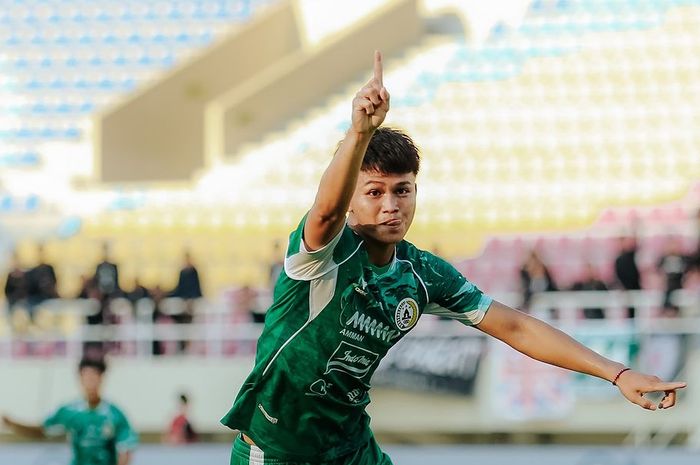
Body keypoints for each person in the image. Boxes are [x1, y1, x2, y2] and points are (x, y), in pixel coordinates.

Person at [221, 51, 686, 465]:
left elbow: (517, 327)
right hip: (277, 451)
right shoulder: (323, 255)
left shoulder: (420, 274)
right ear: (351, 199)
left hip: (350, 447)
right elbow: (324, 210)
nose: (391, 205)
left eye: (402, 191)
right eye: (375, 192)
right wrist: (359, 133)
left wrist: (616, 373)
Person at [2, 357, 138, 465]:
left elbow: (125, 450)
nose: (90, 381)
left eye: (94, 377)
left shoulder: (115, 415)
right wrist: (13, 424)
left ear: (102, 378)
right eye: (86, 377)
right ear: (80, 379)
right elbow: (42, 430)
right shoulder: (69, 411)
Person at [614, 235, 641, 318]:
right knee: (629, 311)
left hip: (635, 288)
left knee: (636, 311)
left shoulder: (631, 255)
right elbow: (618, 275)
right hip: (625, 289)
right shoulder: (618, 260)